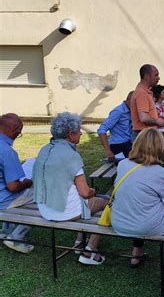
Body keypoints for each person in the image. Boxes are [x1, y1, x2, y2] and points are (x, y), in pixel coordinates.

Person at [33, 113, 109, 265]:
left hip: (45, 208)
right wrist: (93, 192)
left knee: (80, 199)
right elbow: (85, 193)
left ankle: (78, 242)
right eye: (79, 130)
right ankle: (90, 251)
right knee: (109, 204)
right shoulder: (71, 155)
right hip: (66, 211)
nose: (81, 133)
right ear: (70, 134)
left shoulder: (44, 149)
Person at [111, 128, 164, 270]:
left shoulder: (123, 164)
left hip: (119, 222)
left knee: (140, 205)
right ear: (159, 148)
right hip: (145, 225)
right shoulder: (160, 172)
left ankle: (136, 253)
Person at [0, 113, 34, 253]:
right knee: (43, 193)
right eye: (19, 132)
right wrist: (26, 183)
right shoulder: (7, 152)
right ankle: (16, 236)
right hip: (4, 200)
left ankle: (5, 230)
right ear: (16, 130)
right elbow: (13, 187)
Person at [97, 91, 134, 162]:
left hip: (128, 143)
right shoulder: (118, 111)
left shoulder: (130, 111)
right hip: (118, 145)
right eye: (135, 103)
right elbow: (101, 130)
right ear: (129, 100)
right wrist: (108, 151)